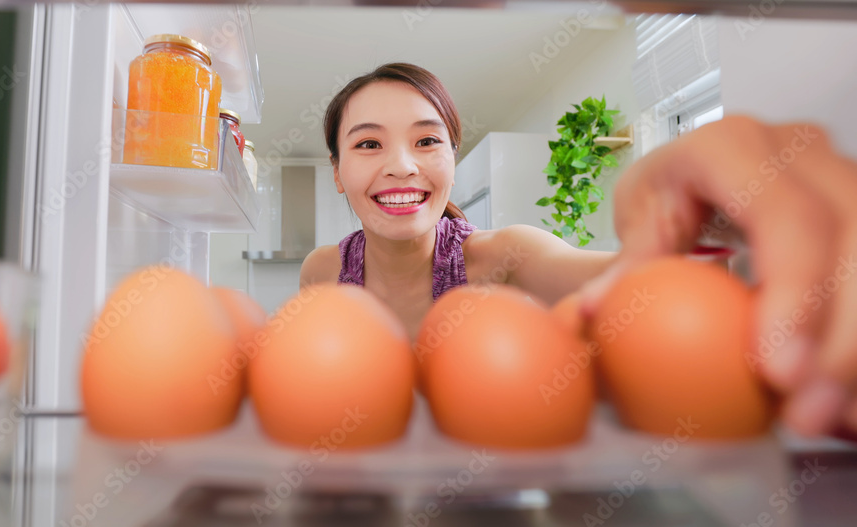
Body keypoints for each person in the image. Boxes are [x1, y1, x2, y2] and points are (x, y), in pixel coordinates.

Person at [300, 62, 857, 439]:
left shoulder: (505, 256)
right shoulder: (324, 272)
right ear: (338, 173)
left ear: (451, 160)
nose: (402, 164)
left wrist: (706, 214)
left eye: (427, 141)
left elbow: (630, 281)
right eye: (369, 143)